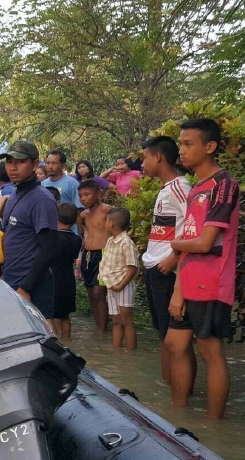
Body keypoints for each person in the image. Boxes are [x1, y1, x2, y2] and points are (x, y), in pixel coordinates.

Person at [165, 118, 240, 419]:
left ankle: (214, 426)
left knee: (210, 352)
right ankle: (179, 416)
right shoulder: (198, 187)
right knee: (174, 343)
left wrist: (174, 244)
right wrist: (178, 291)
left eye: (188, 144)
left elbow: (205, 243)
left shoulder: (224, 185)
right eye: (180, 144)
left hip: (212, 282)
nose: (181, 151)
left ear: (210, 147)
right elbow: (189, 244)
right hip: (190, 280)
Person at [140, 136, 195, 388]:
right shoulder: (166, 189)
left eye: (144, 158)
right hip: (155, 267)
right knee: (164, 336)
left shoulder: (180, 188)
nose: (142, 164)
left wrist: (173, 258)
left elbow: (197, 225)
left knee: (174, 340)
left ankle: (180, 399)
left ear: (158, 157)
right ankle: (170, 396)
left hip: (166, 270)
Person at [0, 141, 57, 318]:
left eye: (20, 162)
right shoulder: (14, 194)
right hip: (11, 279)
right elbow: (7, 236)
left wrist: (26, 287)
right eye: (9, 162)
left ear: (34, 164)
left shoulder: (42, 200)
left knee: (43, 332)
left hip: (32, 284)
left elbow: (48, 249)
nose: (13, 167)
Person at [99, 208, 140, 349]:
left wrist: (121, 284)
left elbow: (132, 267)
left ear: (111, 224)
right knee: (116, 320)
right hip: (112, 285)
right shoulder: (111, 240)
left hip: (124, 285)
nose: (105, 223)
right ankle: (117, 352)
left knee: (126, 319)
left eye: (106, 220)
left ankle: (131, 353)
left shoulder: (126, 242)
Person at [77, 180, 111, 332]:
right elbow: (82, 233)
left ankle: (103, 329)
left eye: (86, 195)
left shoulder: (108, 211)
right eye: (80, 196)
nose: (83, 199)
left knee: (99, 292)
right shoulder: (83, 215)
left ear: (98, 194)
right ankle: (99, 329)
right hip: (88, 255)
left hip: (103, 255)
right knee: (91, 292)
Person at [51, 203, 81, 339]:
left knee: (49, 315)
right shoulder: (77, 240)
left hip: (52, 281)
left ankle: (54, 344)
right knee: (65, 316)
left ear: (56, 218)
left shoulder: (52, 238)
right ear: (75, 221)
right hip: (68, 282)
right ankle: (67, 342)